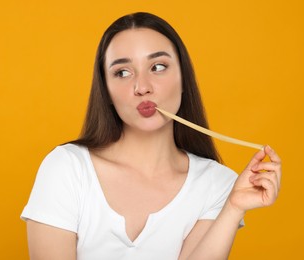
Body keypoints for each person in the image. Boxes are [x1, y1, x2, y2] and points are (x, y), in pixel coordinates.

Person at [21, 12, 282, 260]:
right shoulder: (67, 168)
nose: (142, 87)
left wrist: (233, 208)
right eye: (122, 72)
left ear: (183, 79)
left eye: (158, 67)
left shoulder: (217, 184)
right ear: (106, 91)